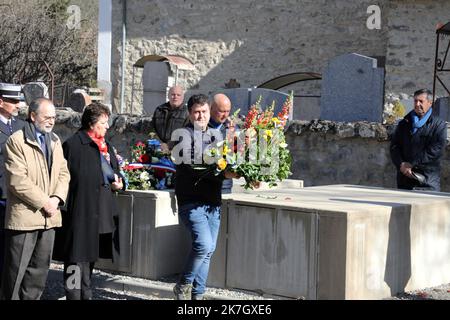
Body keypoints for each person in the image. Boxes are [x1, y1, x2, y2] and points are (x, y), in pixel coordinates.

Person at [52, 102, 125, 300]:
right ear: (92, 123)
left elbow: (115, 174)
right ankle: (72, 296)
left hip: (100, 212)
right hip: (79, 212)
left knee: (89, 259)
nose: (107, 126)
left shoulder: (106, 146)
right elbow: (62, 178)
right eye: (103, 122)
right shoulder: (73, 145)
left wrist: (118, 184)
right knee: (74, 261)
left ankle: (86, 294)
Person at [1, 98, 70, 300]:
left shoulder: (55, 140)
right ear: (33, 116)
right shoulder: (16, 140)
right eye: (47, 117)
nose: (51, 121)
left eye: (54, 118)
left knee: (38, 275)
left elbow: (64, 173)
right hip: (25, 219)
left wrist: (56, 198)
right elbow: (17, 179)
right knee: (14, 276)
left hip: (49, 218)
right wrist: (44, 202)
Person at [172, 94, 238, 300]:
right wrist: (226, 173)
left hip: (212, 201)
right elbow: (198, 168)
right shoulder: (182, 136)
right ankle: (183, 285)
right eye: (196, 112)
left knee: (208, 251)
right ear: (190, 114)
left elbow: (230, 159)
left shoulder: (216, 136)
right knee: (203, 245)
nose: (201, 115)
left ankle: (197, 296)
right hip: (191, 201)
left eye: (204, 111)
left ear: (209, 112)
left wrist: (244, 170)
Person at [390, 89, 447, 191]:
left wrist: (412, 163)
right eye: (415, 101)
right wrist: (401, 164)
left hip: (427, 182)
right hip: (405, 180)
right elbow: (394, 147)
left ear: (430, 103)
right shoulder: (404, 123)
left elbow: (435, 150)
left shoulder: (439, 125)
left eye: (421, 101)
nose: (417, 104)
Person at [0, 83, 26, 287]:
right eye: (14, 101)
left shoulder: (20, 126)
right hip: (0, 194)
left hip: (16, 196)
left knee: (13, 250)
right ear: (1, 102)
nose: (18, 105)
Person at [208, 93, 236, 194]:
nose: (225, 115)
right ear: (211, 108)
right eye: (221, 111)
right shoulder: (202, 127)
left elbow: (238, 154)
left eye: (227, 111)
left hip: (225, 185)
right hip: (205, 184)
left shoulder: (232, 128)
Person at [151, 85, 189, 153]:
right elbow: (152, 129)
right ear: (168, 96)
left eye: (178, 95)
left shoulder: (187, 112)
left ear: (183, 97)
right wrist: (159, 144)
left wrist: (168, 146)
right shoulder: (159, 110)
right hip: (158, 149)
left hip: (178, 151)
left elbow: (185, 133)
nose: (175, 97)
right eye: (173, 94)